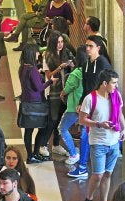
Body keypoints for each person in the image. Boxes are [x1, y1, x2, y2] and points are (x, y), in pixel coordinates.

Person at [78, 69, 125, 201]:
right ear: (104, 83)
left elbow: (120, 114)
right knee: (98, 174)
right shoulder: (90, 99)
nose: (116, 86)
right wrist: (99, 124)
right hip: (98, 142)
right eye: (114, 83)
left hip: (114, 141)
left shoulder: (116, 96)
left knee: (107, 174)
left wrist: (124, 128)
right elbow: (82, 120)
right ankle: (88, 199)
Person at [68, 35, 112, 179]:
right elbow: (86, 85)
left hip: (98, 105)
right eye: (86, 45)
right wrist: (81, 102)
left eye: (91, 46)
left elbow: (101, 87)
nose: (87, 48)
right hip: (89, 103)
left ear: (98, 48)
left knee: (87, 135)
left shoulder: (103, 63)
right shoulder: (87, 63)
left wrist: (90, 105)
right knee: (86, 135)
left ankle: (83, 167)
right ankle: (85, 166)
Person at [39, 30, 74, 160]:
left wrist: (70, 64)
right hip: (53, 90)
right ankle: (43, 144)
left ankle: (56, 144)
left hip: (65, 90)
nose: (60, 44)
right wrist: (60, 67)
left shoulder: (66, 52)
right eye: (58, 42)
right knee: (52, 119)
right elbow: (48, 75)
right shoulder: (47, 55)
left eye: (61, 42)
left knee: (60, 118)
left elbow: (74, 64)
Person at [17, 43, 53, 164]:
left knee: (28, 131)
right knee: (42, 128)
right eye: (37, 52)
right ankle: (35, 153)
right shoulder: (32, 70)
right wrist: (50, 82)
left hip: (26, 102)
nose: (38, 54)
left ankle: (30, 155)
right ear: (32, 54)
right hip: (36, 103)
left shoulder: (22, 68)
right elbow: (39, 87)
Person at [4, 0, 74, 52]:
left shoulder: (66, 6)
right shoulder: (51, 3)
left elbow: (70, 21)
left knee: (23, 20)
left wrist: (57, 21)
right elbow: (45, 13)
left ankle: (17, 38)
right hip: (49, 27)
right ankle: (18, 39)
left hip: (53, 26)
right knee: (23, 20)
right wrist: (34, 3)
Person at [59, 45, 86, 165]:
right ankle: (84, 154)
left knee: (63, 128)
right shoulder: (91, 71)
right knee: (85, 130)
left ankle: (73, 153)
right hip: (88, 107)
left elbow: (68, 88)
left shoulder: (76, 73)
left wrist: (62, 93)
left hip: (74, 107)